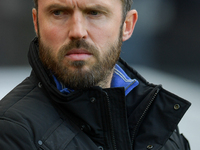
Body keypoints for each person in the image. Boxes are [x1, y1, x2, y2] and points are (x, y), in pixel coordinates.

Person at [0, 0, 191, 149]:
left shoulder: (154, 116)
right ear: (36, 22)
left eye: (94, 13)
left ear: (127, 25)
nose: (77, 31)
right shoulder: (12, 130)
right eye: (58, 12)